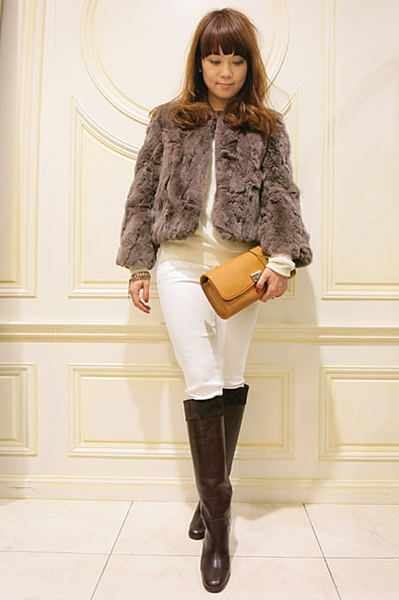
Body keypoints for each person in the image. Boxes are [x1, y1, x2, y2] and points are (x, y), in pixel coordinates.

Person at [115, 8, 313, 593]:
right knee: (201, 380)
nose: (225, 72)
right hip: (178, 265)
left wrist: (282, 261)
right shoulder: (168, 120)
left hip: (241, 269)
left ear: (249, 65)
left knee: (229, 377)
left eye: (235, 60)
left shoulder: (267, 126)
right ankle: (220, 532)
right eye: (214, 59)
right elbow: (142, 193)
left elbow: (281, 195)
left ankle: (208, 500)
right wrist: (139, 264)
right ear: (198, 63)